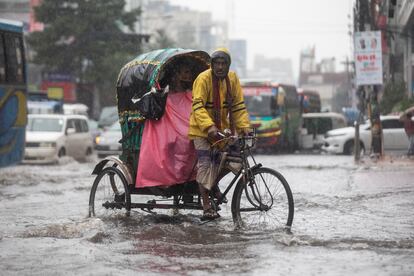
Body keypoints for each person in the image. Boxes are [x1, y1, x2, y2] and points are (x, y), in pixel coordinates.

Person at [188, 48, 251, 220]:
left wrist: (245, 127)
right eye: (217, 63)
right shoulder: (203, 79)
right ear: (212, 65)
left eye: (224, 64)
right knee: (206, 164)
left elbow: (238, 106)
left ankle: (213, 183)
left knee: (236, 159)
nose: (220, 67)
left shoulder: (233, 79)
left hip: (221, 129)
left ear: (228, 65)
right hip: (201, 130)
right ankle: (206, 205)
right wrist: (208, 127)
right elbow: (198, 106)